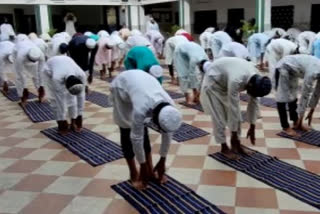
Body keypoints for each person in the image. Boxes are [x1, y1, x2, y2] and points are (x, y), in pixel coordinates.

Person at [110, 70, 182, 189]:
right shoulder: (141, 108)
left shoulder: (171, 108)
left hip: (141, 85)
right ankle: (134, 172)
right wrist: (141, 166)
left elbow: (168, 134)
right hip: (121, 87)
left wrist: (162, 160)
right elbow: (136, 137)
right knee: (127, 128)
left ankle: (150, 169)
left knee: (142, 127)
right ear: (154, 117)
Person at [200, 57, 272, 159]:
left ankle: (237, 144)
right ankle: (224, 147)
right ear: (250, 85)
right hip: (214, 83)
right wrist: (233, 135)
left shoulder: (256, 78)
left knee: (237, 114)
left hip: (226, 80)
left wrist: (252, 126)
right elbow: (233, 108)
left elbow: (254, 102)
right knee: (219, 117)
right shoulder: (236, 80)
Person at [273, 55, 320, 136]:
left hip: (294, 71)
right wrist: (301, 120)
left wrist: (311, 112)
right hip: (284, 67)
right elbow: (305, 94)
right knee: (282, 97)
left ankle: (295, 121)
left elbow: (317, 92)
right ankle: (285, 126)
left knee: (293, 97)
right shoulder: (313, 72)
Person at [43, 56, 86, 136]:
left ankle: (73, 122)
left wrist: (79, 116)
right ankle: (61, 124)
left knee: (73, 100)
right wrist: (63, 121)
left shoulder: (81, 75)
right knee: (55, 101)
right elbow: (60, 101)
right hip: (50, 70)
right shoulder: (56, 78)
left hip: (66, 62)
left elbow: (81, 96)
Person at [13, 39, 46, 105]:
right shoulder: (20, 56)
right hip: (17, 55)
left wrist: (41, 86)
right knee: (20, 77)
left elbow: (41, 71)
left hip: (31, 58)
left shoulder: (41, 55)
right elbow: (20, 74)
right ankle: (22, 97)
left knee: (36, 75)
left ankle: (40, 95)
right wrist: (24, 89)